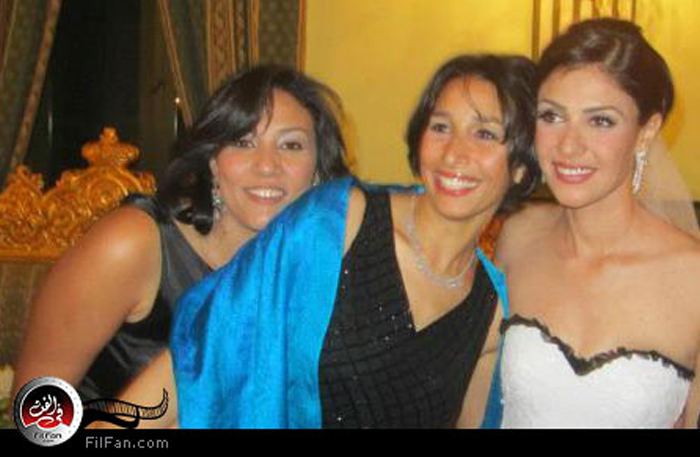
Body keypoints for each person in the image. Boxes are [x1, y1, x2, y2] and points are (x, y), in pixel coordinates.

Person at [155, 53, 540, 429]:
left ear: (521, 167)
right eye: (440, 127)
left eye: (485, 134)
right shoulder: (337, 222)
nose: (454, 153)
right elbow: (197, 353)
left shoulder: (492, 312)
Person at [11, 65, 350, 402]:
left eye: (291, 145)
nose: (267, 165)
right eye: (243, 142)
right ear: (212, 161)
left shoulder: (317, 263)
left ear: (317, 171)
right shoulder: (133, 243)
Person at [493, 18, 700, 428]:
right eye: (552, 116)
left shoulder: (692, 278)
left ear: (646, 131)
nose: (568, 146)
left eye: (601, 120)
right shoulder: (517, 236)